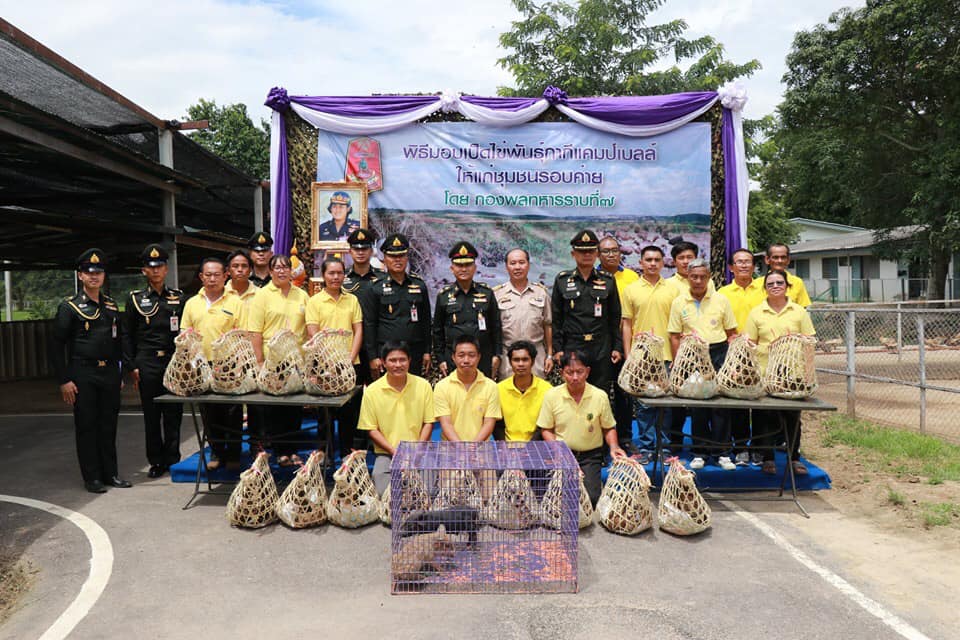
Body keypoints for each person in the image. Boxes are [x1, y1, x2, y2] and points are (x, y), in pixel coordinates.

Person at [51, 249, 130, 493]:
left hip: (109, 374)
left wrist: (119, 373)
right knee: (87, 426)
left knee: (109, 425)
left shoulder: (110, 304)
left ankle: (110, 474)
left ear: (104, 275)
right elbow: (56, 345)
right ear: (80, 276)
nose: (94, 276)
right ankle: (92, 478)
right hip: (83, 374)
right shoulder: (70, 307)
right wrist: (64, 380)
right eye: (89, 272)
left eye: (98, 272)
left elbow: (117, 342)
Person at [667, 258, 738, 471]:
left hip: (717, 354)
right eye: (693, 277)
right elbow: (674, 336)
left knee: (720, 406)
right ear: (687, 277)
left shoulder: (721, 300)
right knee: (698, 407)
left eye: (702, 277)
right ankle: (699, 451)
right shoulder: (679, 302)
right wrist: (678, 363)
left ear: (709, 278)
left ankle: (722, 452)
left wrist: (732, 363)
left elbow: (731, 334)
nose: (698, 281)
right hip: (691, 357)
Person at [744, 269, 816, 476]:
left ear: (787, 286)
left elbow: (809, 343)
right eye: (770, 284)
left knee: (792, 417)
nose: (775, 286)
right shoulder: (757, 313)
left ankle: (794, 458)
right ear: (765, 288)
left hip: (793, 374)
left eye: (779, 283)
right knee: (766, 417)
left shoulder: (798, 311)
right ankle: (768, 458)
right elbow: (750, 344)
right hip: (766, 373)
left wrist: (809, 374)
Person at [121, 244, 184, 478]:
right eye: (151, 267)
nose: (155, 271)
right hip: (147, 363)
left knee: (173, 413)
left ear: (166, 269)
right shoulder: (135, 300)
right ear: (144, 271)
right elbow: (126, 335)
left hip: (173, 363)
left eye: (159, 266)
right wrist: (132, 366)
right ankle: (156, 461)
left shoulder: (178, 298)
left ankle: (173, 458)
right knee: (152, 414)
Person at [180, 257, 246, 470]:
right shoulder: (192, 303)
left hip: (229, 364)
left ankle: (234, 455)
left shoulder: (235, 302)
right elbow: (185, 333)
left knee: (232, 412)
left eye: (217, 274)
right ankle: (217, 453)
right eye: (207, 275)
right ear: (201, 277)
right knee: (209, 412)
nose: (212, 279)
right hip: (201, 364)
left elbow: (242, 334)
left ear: (225, 275)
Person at [246, 254, 310, 466]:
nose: (281, 271)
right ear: (270, 271)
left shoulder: (302, 296)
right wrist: (260, 361)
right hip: (272, 361)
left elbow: (308, 329)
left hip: (296, 361)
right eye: (277, 268)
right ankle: (281, 452)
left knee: (295, 409)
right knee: (276, 409)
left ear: (291, 271)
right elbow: (255, 332)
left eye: (285, 267)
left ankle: (292, 450)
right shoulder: (262, 296)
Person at [537, 351, 625, 505]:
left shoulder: (600, 396)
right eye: (570, 372)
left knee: (590, 499)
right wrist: (560, 451)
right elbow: (546, 429)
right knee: (561, 498)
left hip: (590, 456)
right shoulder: (552, 395)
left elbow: (608, 427)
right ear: (562, 373)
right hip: (562, 455)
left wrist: (614, 446)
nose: (575, 377)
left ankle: (594, 484)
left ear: (588, 372)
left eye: (580, 372)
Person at [620, 245, 679, 464]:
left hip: (666, 356)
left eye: (657, 260)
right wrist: (629, 355)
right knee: (644, 406)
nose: (653, 264)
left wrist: (677, 356)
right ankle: (645, 447)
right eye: (648, 260)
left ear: (663, 263)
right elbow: (626, 324)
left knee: (665, 404)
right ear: (641, 263)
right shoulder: (631, 290)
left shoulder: (673, 290)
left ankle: (663, 447)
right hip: (641, 356)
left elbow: (679, 326)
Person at [551, 229, 623, 396]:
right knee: (573, 391)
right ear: (573, 254)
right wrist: (558, 349)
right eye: (582, 251)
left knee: (600, 393)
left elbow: (615, 317)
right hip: (573, 345)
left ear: (597, 253)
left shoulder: (607, 280)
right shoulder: (562, 280)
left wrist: (617, 347)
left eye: (591, 251)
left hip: (601, 346)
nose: (587, 255)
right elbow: (557, 318)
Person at [357, 341, 435, 494]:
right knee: (383, 490)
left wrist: (417, 450)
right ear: (384, 363)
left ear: (409, 361)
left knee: (428, 492)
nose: (398, 365)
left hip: (418, 450)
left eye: (402, 360)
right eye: (392, 360)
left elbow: (428, 422)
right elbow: (371, 430)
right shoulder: (372, 391)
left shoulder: (423, 385)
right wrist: (396, 453)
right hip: (387, 452)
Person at [306, 257, 364, 460]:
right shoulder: (314, 301)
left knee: (349, 412)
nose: (336, 277)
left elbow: (358, 330)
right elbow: (313, 333)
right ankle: (326, 453)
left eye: (339, 273)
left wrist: (350, 359)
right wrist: (328, 360)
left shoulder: (352, 300)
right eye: (331, 273)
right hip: (324, 365)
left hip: (349, 364)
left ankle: (348, 452)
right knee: (325, 413)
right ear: (323, 276)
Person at [718, 248, 766, 465]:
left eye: (748, 262)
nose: (744, 265)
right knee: (736, 402)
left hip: (761, 354)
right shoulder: (723, 293)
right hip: (734, 354)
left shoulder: (765, 290)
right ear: (731, 268)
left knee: (760, 402)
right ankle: (740, 448)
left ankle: (758, 448)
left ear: (754, 266)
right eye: (739, 262)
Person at [364, 233, 432, 377]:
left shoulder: (419, 285)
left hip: (414, 351)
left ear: (407, 257)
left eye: (401, 256)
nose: (397, 260)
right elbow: (370, 324)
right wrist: (373, 356)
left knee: (413, 392)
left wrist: (427, 351)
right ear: (385, 259)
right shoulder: (375, 287)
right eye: (393, 256)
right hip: (387, 353)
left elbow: (425, 321)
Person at [433, 241, 501, 378]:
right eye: (459, 265)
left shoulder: (487, 293)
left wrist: (497, 355)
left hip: (483, 357)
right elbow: (437, 331)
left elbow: (496, 327)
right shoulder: (444, 296)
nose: (463, 269)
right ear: (452, 268)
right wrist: (440, 359)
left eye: (468, 265)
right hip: (454, 359)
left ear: (475, 267)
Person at [598, 235, 639, 454]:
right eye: (606, 251)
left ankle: (624, 437)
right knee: (600, 394)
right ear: (598, 254)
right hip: (601, 346)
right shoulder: (593, 277)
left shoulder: (632, 277)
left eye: (615, 250)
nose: (611, 254)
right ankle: (600, 440)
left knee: (625, 395)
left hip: (627, 345)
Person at [493, 248, 553, 379]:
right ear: (506, 267)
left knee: (538, 395)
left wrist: (549, 355)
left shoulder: (541, 293)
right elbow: (493, 330)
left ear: (528, 265)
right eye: (513, 263)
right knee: (508, 394)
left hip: (536, 355)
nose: (517, 267)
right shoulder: (497, 294)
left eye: (521, 262)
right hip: (508, 356)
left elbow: (548, 325)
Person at [434, 335, 502, 443]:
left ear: (479, 357)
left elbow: (489, 422)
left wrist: (472, 449)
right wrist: (461, 449)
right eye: (461, 355)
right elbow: (446, 423)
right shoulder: (442, 387)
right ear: (453, 357)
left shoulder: (491, 386)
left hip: (481, 451)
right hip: (450, 452)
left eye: (471, 355)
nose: (466, 360)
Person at [495, 341, 552, 442]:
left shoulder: (547, 390)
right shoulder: (499, 389)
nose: (520, 364)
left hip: (537, 446)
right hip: (507, 447)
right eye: (516, 360)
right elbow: (497, 425)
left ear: (533, 361)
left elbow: (544, 426)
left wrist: (529, 449)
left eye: (525, 360)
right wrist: (504, 448)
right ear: (510, 362)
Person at [760, 243, 811, 307]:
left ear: (788, 260)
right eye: (775, 257)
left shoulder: (797, 282)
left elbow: (803, 308)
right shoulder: (757, 284)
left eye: (783, 257)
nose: (780, 261)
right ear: (767, 259)